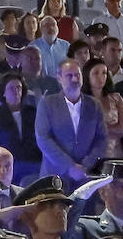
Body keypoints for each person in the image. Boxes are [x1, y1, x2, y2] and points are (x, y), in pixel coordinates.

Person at [36, 58, 106, 189]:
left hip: (85, 178)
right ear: (59, 78)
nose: (74, 79)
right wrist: (69, 167)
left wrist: (85, 166)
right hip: (54, 177)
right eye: (69, 76)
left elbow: (101, 139)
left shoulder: (94, 105)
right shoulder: (47, 104)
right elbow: (43, 139)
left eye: (77, 75)